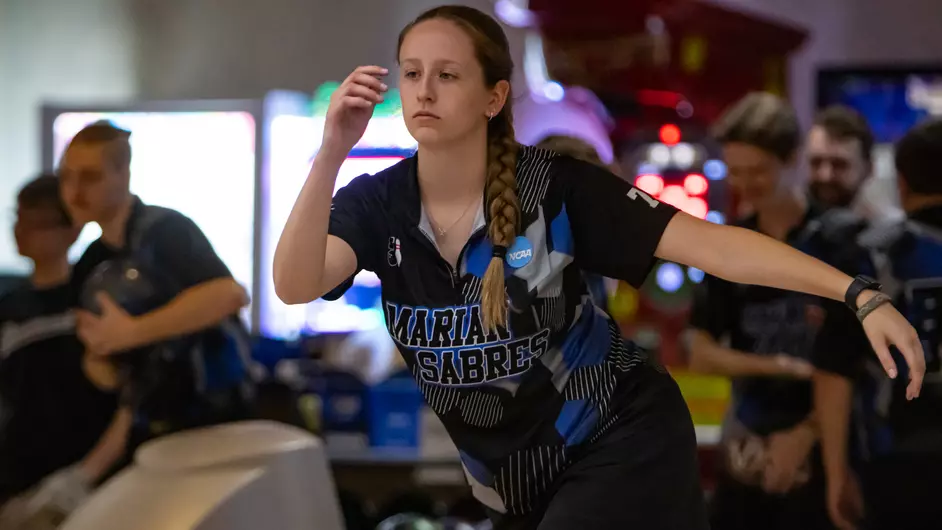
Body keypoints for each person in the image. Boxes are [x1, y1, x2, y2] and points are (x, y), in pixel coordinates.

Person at [273, 6, 924, 529]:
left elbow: (715, 246)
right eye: (411, 72)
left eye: (448, 74)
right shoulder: (375, 204)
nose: (424, 90)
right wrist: (332, 152)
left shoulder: (559, 188)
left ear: (494, 96)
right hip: (515, 477)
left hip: (620, 438)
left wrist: (858, 293)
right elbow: (296, 282)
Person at [686, 92, 859, 529]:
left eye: (759, 170)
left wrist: (807, 433)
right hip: (748, 444)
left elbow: (864, 364)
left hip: (831, 445)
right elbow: (701, 352)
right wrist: (779, 365)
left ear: (792, 160)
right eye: (736, 171)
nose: (745, 184)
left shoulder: (840, 239)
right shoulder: (729, 245)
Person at [57, 121, 253, 478]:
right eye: (66, 177)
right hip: (149, 430)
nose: (73, 191)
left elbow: (229, 294)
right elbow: (106, 370)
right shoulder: (91, 262)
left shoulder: (166, 230)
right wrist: (101, 359)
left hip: (214, 423)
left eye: (89, 177)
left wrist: (131, 332)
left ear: (123, 173)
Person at [813, 118, 942, 530]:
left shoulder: (868, 253)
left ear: (900, 182)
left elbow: (835, 370)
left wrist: (836, 475)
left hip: (894, 460)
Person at [0, 175, 116, 523]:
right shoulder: (8, 306)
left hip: (91, 480)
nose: (21, 231)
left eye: (35, 223)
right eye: (17, 218)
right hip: (18, 483)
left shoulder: (96, 300)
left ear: (72, 230)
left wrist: (85, 474)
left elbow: (129, 394)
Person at [806, 106, 875, 212]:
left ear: (868, 169)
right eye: (816, 162)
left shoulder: (888, 227)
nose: (825, 176)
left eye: (839, 165)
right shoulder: (789, 223)